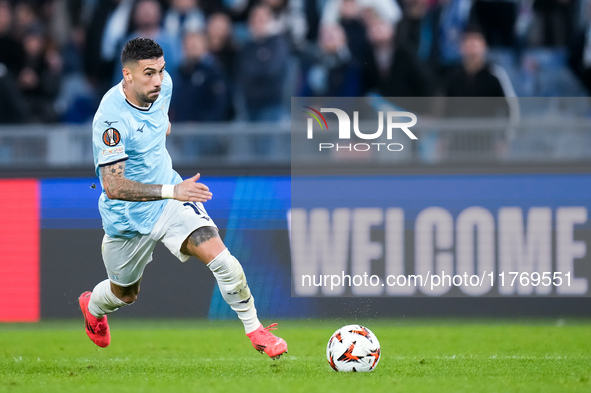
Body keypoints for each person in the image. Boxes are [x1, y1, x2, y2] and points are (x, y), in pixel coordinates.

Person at [79, 37, 288, 360]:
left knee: (220, 256)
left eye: (161, 71)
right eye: (149, 73)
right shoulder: (111, 120)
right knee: (125, 293)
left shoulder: (164, 87)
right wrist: (171, 190)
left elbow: (160, 122)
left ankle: (256, 329)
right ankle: (92, 306)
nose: (158, 81)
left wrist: (170, 185)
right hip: (127, 216)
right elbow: (113, 186)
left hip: (169, 202)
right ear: (127, 75)